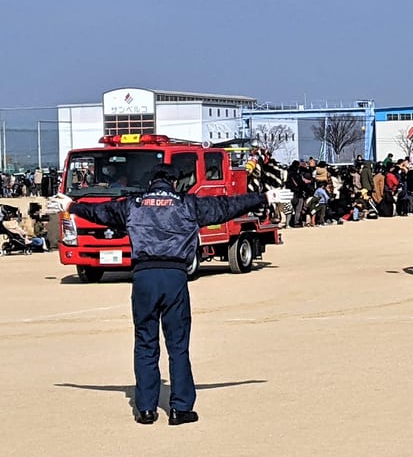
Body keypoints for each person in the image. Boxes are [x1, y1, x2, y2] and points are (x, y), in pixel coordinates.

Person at [48, 171, 292, 425]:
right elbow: (226, 207)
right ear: (173, 184)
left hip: (143, 277)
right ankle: (180, 408)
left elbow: (101, 213)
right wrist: (265, 197)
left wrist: (71, 205)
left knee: (145, 342)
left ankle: (146, 409)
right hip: (174, 276)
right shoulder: (187, 204)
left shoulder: (134, 205)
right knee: (178, 346)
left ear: (150, 183)